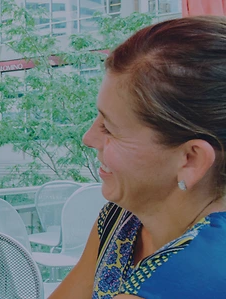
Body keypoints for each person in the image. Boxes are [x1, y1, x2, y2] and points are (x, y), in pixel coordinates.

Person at [50, 16, 226, 299]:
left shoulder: (200, 271)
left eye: (109, 128)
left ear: (190, 160)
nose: (88, 138)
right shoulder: (123, 217)